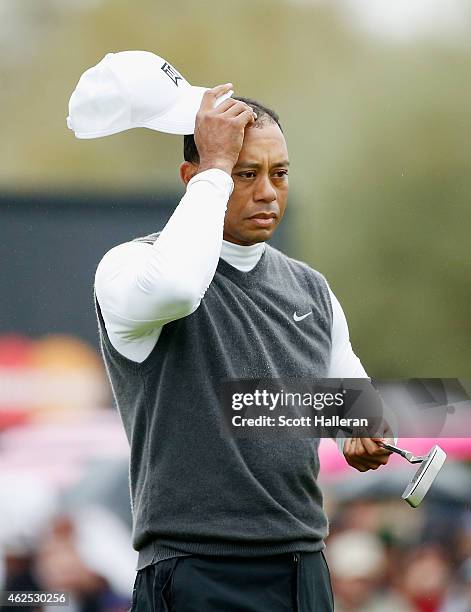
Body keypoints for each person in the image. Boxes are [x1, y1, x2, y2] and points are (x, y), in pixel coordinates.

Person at [94, 83, 393, 611]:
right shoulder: (130, 268)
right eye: (244, 173)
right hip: (192, 568)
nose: (269, 193)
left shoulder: (310, 289)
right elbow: (181, 286)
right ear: (193, 179)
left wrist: (364, 428)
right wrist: (213, 162)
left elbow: (353, 405)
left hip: (302, 565)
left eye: (279, 173)